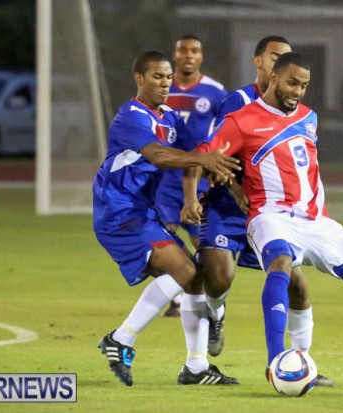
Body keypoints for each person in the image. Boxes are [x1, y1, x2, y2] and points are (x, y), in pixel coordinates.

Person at [197, 52, 343, 391]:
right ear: (274, 78)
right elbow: (207, 157)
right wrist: (229, 187)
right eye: (292, 83)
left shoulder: (309, 118)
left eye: (304, 85)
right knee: (281, 264)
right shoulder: (241, 120)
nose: (298, 91)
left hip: (317, 222)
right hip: (271, 217)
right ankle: (276, 362)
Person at [181, 36, 334, 387]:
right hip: (229, 208)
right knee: (219, 277)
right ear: (261, 63)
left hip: (272, 214)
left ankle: (300, 361)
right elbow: (213, 154)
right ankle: (216, 312)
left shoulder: (297, 112)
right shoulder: (238, 102)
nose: (281, 64)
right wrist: (232, 190)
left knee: (296, 284)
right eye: (275, 57)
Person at [93, 50, 240, 386]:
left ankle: (196, 367)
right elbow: (159, 155)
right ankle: (122, 338)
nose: (165, 83)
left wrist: (191, 197)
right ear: (139, 78)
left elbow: (196, 155)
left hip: (142, 211)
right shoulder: (131, 116)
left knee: (194, 278)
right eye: (157, 76)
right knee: (185, 271)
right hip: (118, 211)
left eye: (168, 77)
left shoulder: (170, 117)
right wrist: (203, 160)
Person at [158, 34, 227, 317]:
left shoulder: (216, 92)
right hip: (163, 180)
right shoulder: (161, 87)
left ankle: (210, 299)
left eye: (194, 51)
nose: (188, 55)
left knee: (204, 246)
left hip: (199, 179)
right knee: (162, 240)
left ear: (201, 56)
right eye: (183, 50)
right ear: (175, 55)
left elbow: (224, 133)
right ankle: (177, 296)